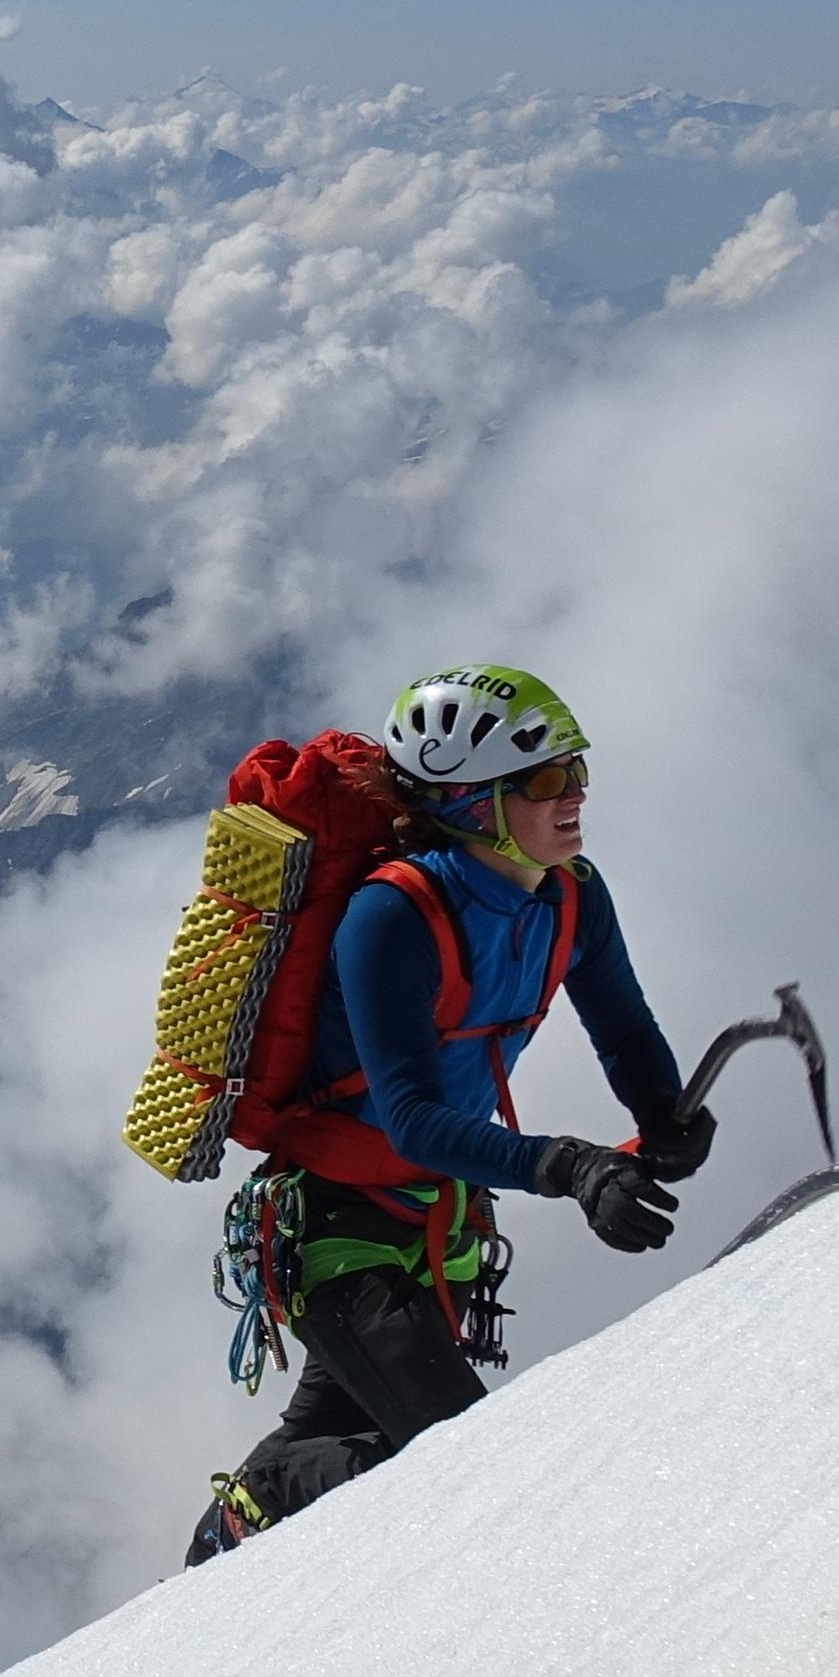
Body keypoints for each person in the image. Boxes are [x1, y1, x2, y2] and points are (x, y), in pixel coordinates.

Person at [184, 664, 710, 1562]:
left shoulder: (571, 893)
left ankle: (242, 1525)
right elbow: (414, 1119)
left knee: (352, 1413)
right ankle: (263, 1500)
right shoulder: (391, 914)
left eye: (577, 772)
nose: (575, 797)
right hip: (340, 1237)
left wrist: (663, 1113)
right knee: (453, 1459)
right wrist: (574, 1168)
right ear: (472, 801)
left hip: (438, 1223)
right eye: (544, 782)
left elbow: (623, 1026)